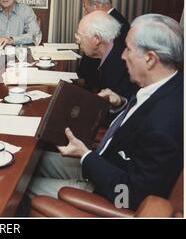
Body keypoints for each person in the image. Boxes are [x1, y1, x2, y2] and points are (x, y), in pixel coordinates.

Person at [25, 14, 183, 211]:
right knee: (30, 162)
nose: (123, 55)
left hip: (105, 189)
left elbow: (130, 196)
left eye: (128, 49)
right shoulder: (168, 85)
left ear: (150, 59)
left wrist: (85, 156)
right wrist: (121, 103)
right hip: (104, 161)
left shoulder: (164, 123)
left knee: (20, 187)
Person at [75, 10, 138, 100]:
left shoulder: (119, 64)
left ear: (97, 39)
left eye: (80, 36)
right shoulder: (112, 51)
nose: (78, 41)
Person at [78, 0, 130, 91]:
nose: (86, 13)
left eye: (87, 9)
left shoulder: (115, 23)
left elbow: (103, 52)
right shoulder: (117, 18)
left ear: (96, 6)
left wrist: (85, 79)